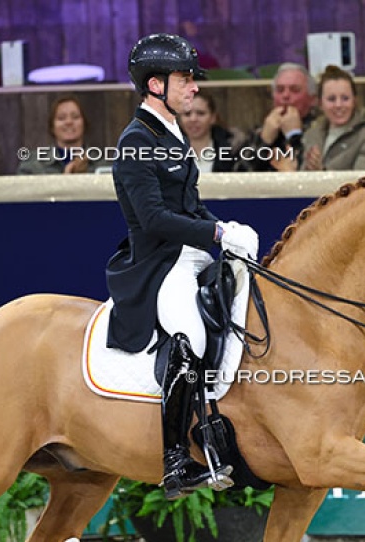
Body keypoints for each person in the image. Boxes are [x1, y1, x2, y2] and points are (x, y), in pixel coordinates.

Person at [105, 33, 258, 500]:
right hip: (158, 264)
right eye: (185, 79)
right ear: (155, 85)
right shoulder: (136, 142)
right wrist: (215, 235)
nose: (193, 88)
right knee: (189, 337)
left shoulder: (172, 132)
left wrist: (223, 227)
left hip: (189, 255)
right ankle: (175, 459)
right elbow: (154, 219)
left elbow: (188, 206)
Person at [300, 65, 365, 171]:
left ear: (354, 101)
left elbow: (362, 185)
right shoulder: (311, 135)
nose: (338, 105)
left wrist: (321, 173)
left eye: (345, 98)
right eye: (331, 99)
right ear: (320, 103)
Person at [234, 62, 318, 172]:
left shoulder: (320, 131)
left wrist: (294, 136)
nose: (286, 95)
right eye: (280, 90)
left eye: (295, 90)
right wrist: (264, 141)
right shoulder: (260, 131)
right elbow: (238, 177)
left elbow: (307, 175)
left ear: (312, 99)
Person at [17, 95, 109, 175]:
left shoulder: (102, 164)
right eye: (61, 118)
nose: (69, 122)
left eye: (75, 117)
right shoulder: (32, 165)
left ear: (84, 123)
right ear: (52, 127)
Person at [178, 92, 247, 173]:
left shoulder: (233, 147)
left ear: (213, 117)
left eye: (200, 113)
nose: (193, 119)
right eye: (187, 114)